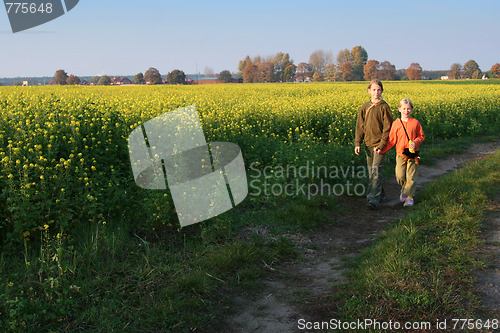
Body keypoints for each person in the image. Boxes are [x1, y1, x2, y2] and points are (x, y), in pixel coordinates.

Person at [378, 98, 425, 207]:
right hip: (400, 154)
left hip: (412, 154)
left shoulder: (415, 122)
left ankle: (409, 197)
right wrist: (381, 150)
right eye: (404, 108)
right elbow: (391, 140)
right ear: (399, 109)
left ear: (411, 110)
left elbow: (421, 136)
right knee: (399, 176)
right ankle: (404, 190)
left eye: (408, 109)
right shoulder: (396, 123)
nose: (406, 111)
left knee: (411, 176)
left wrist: (415, 142)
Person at [354, 79, 393, 209]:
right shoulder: (365, 107)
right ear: (369, 91)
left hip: (379, 145)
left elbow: (388, 128)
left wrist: (382, 145)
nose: (376, 92)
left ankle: (373, 199)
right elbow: (360, 126)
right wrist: (358, 143)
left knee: (376, 171)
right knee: (372, 172)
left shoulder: (384, 107)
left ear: (382, 91)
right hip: (368, 145)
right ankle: (380, 193)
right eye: (374, 89)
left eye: (379, 90)